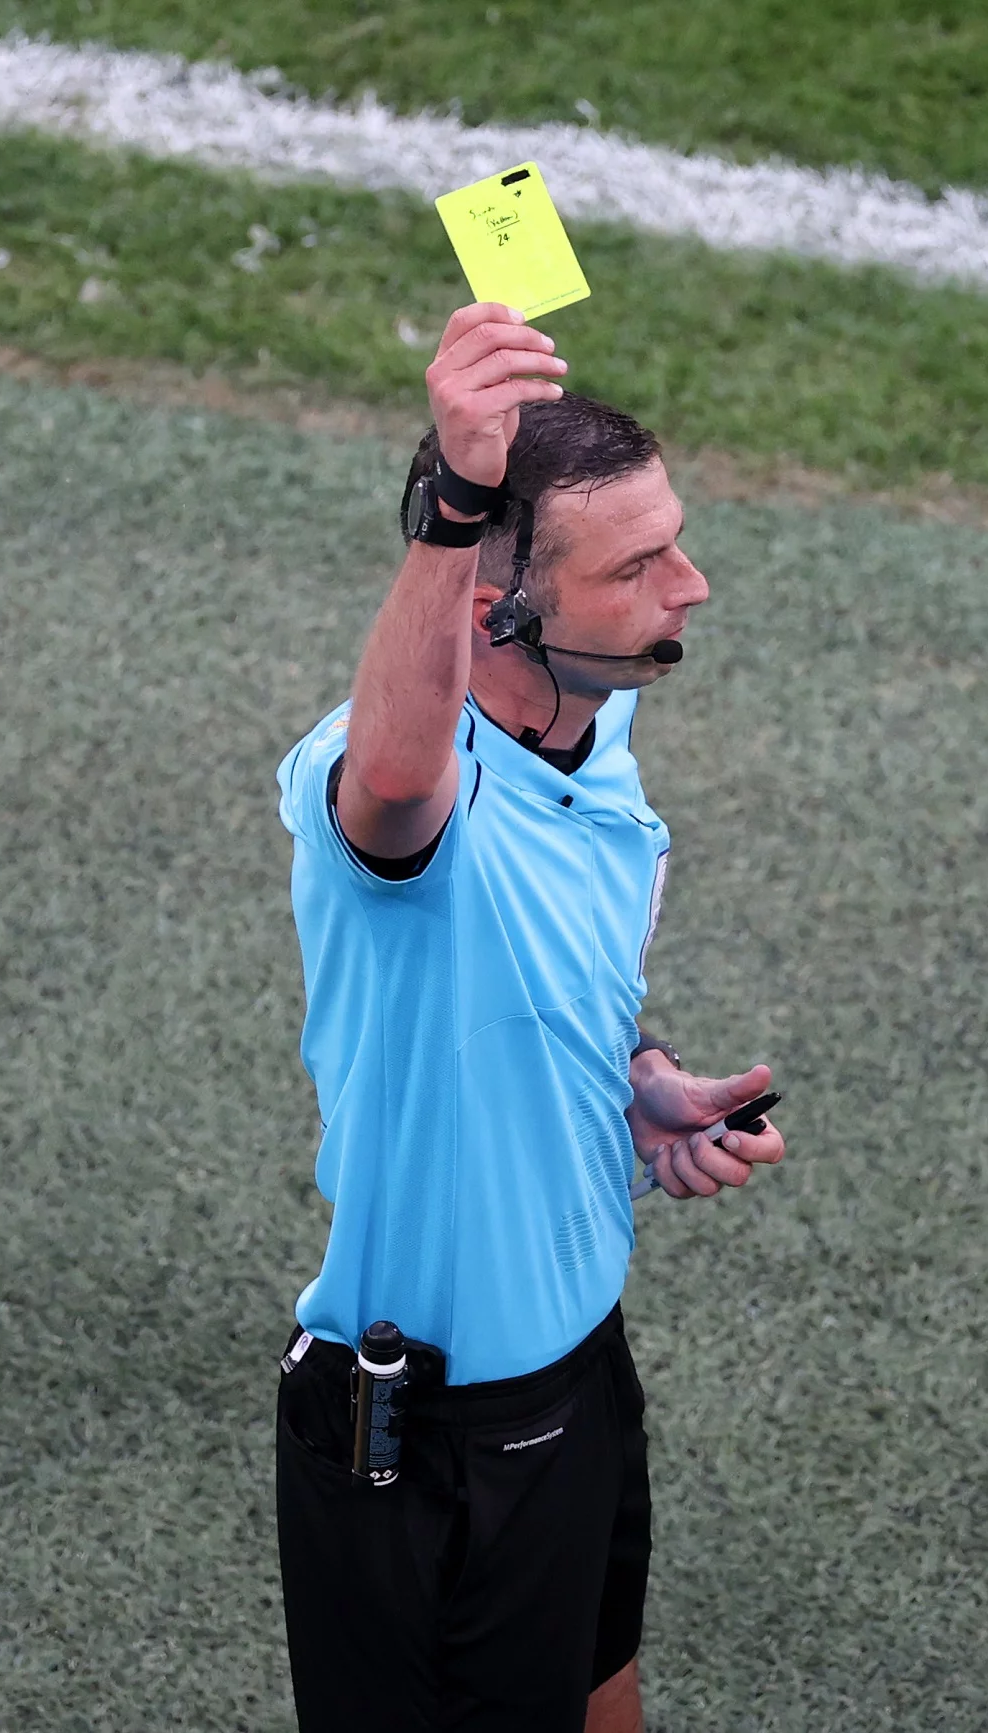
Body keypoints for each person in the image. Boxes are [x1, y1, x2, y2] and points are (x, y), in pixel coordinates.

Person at [270, 302, 786, 1732]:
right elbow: (391, 780)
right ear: (500, 608)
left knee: (602, 1696)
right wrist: (458, 503)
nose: (691, 585)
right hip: (425, 1439)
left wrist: (639, 1076)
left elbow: (553, 962)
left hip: (578, 1374)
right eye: (638, 566)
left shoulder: (595, 719)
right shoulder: (401, 794)